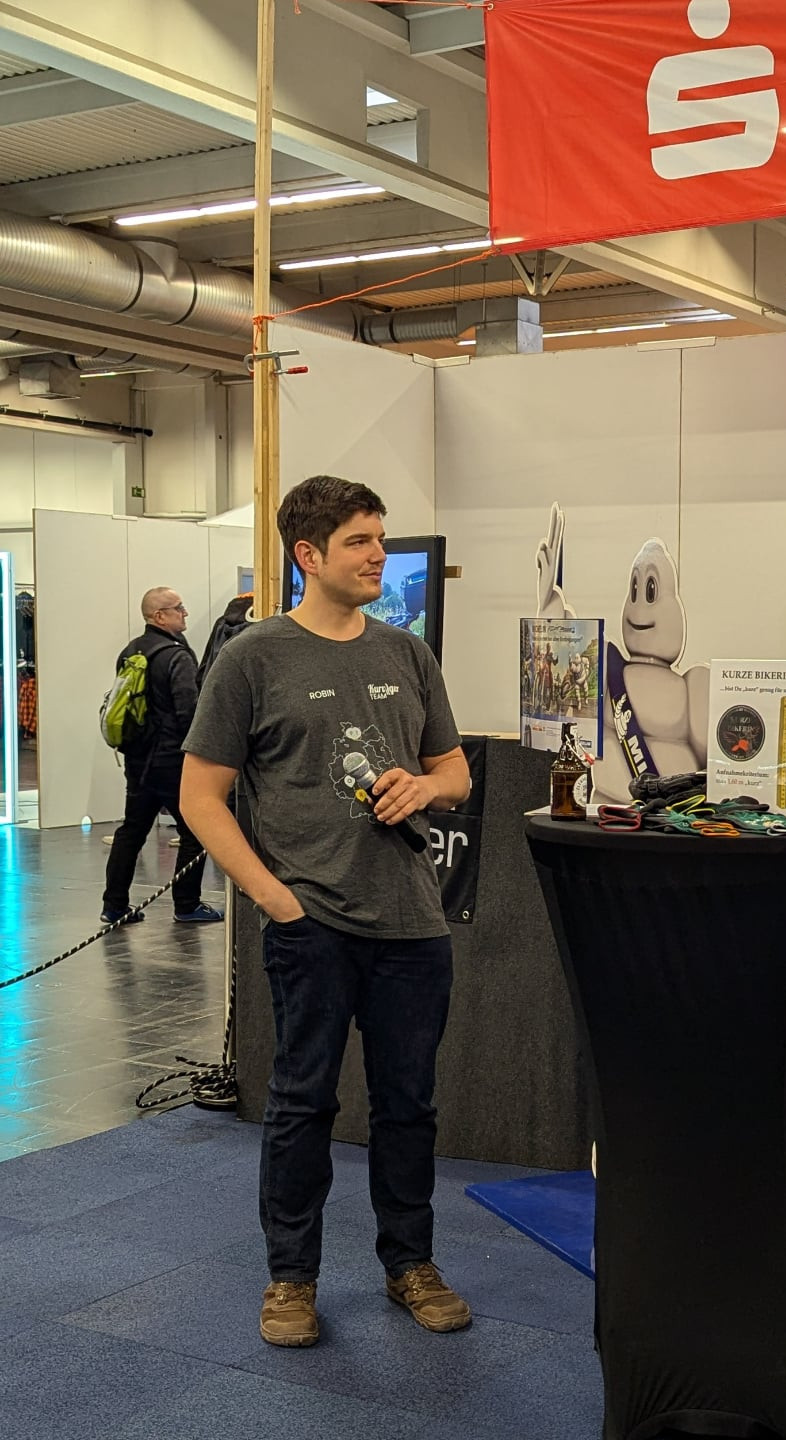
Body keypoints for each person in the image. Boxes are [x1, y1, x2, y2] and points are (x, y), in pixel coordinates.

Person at [180, 474, 474, 1348]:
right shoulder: (253, 658)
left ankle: (410, 1264)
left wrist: (425, 786)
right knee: (303, 1104)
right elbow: (200, 798)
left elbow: (455, 773)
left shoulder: (407, 654)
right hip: (311, 925)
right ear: (308, 555)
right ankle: (291, 1280)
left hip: (413, 924)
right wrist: (276, 899)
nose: (379, 554)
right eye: (359, 541)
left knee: (409, 1106)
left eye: (381, 538)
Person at [101, 588, 221, 926]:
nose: (185, 612)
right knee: (194, 831)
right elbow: (189, 712)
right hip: (172, 762)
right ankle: (187, 904)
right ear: (159, 616)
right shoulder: (176, 656)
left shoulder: (130, 651)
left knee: (132, 830)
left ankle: (114, 905)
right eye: (178, 608)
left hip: (138, 760)